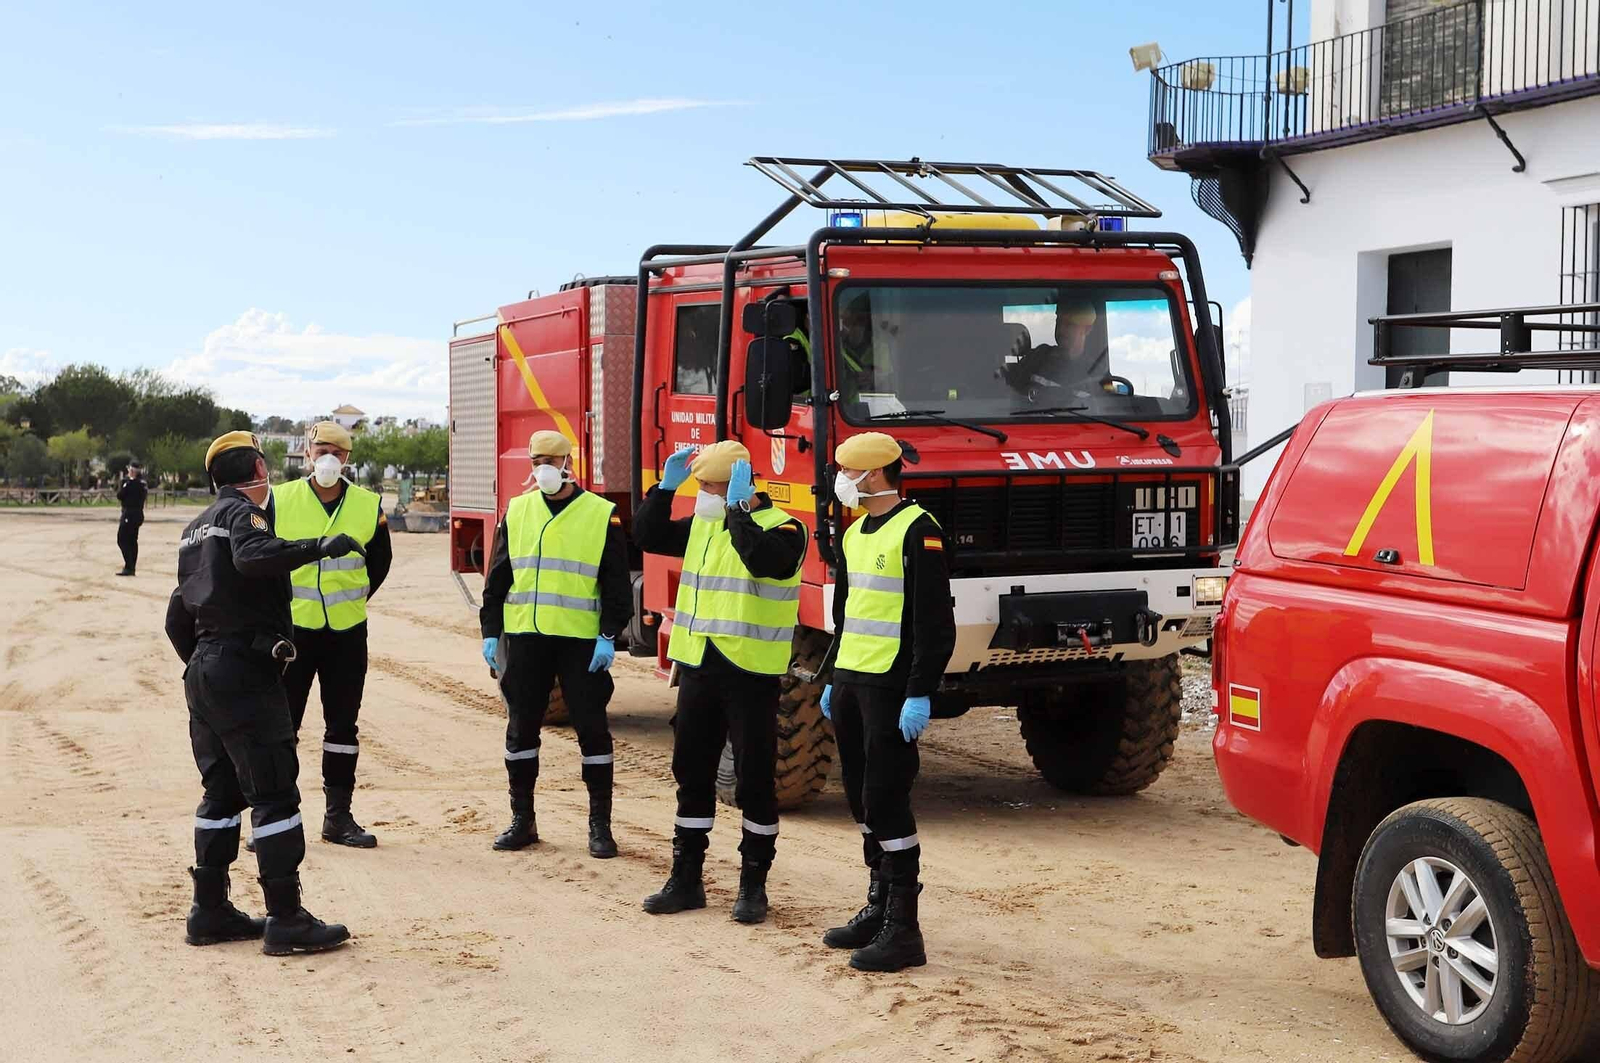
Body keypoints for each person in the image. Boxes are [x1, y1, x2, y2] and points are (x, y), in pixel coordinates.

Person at [163, 430, 359, 956]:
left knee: (221, 794)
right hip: (242, 672)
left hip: (204, 670)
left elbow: (175, 616)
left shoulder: (193, 528)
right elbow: (253, 557)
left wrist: (207, 667)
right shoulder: (242, 517)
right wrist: (318, 547)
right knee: (274, 793)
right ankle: (286, 917)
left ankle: (210, 911)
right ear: (258, 470)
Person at [633, 440, 806, 924]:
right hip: (698, 667)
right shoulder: (703, 526)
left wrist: (737, 510)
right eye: (702, 486)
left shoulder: (786, 528)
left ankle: (753, 886)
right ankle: (685, 879)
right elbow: (647, 536)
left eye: (711, 486)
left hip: (749, 673)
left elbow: (761, 560)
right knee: (691, 774)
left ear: (741, 485)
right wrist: (664, 489)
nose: (704, 495)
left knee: (754, 783)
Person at [817, 432, 955, 972]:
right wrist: (834, 676)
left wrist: (919, 692)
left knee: (887, 798)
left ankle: (905, 928)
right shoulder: (854, 534)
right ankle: (878, 906)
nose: (839, 480)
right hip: (853, 680)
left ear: (873, 476)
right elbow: (848, 613)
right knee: (861, 799)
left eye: (846, 471)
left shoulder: (919, 530)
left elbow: (933, 624)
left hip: (893, 688)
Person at [478, 430, 630, 857]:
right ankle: (522, 820)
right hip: (527, 639)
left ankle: (600, 826)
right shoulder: (518, 510)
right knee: (521, 729)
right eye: (536, 460)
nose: (542, 467)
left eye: (551, 459)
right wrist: (491, 630)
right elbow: (499, 578)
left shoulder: (601, 514)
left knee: (592, 731)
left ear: (569, 463)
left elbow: (617, 585)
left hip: (582, 642)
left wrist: (608, 636)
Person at [270, 421, 392, 849]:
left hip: (346, 633)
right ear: (307, 453)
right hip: (291, 633)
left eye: (337, 453)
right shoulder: (278, 499)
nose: (328, 459)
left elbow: (379, 563)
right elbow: (262, 559)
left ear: (347, 459)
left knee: (342, 727)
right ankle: (276, 819)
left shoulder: (367, 503)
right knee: (282, 728)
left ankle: (338, 818)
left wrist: (353, 600)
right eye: (322, 450)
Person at [1004, 297, 1110, 399]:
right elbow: (1008, 396)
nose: (1061, 330)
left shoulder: (1097, 373)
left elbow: (1105, 411)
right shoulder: (1037, 356)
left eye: (1069, 324)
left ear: (1087, 329)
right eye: (1059, 321)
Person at [115, 461, 148, 576]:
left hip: (131, 513)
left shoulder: (134, 483)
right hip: (135, 513)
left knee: (123, 539)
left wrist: (129, 482)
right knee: (132, 541)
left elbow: (121, 495)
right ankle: (131, 566)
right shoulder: (139, 483)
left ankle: (129, 565)